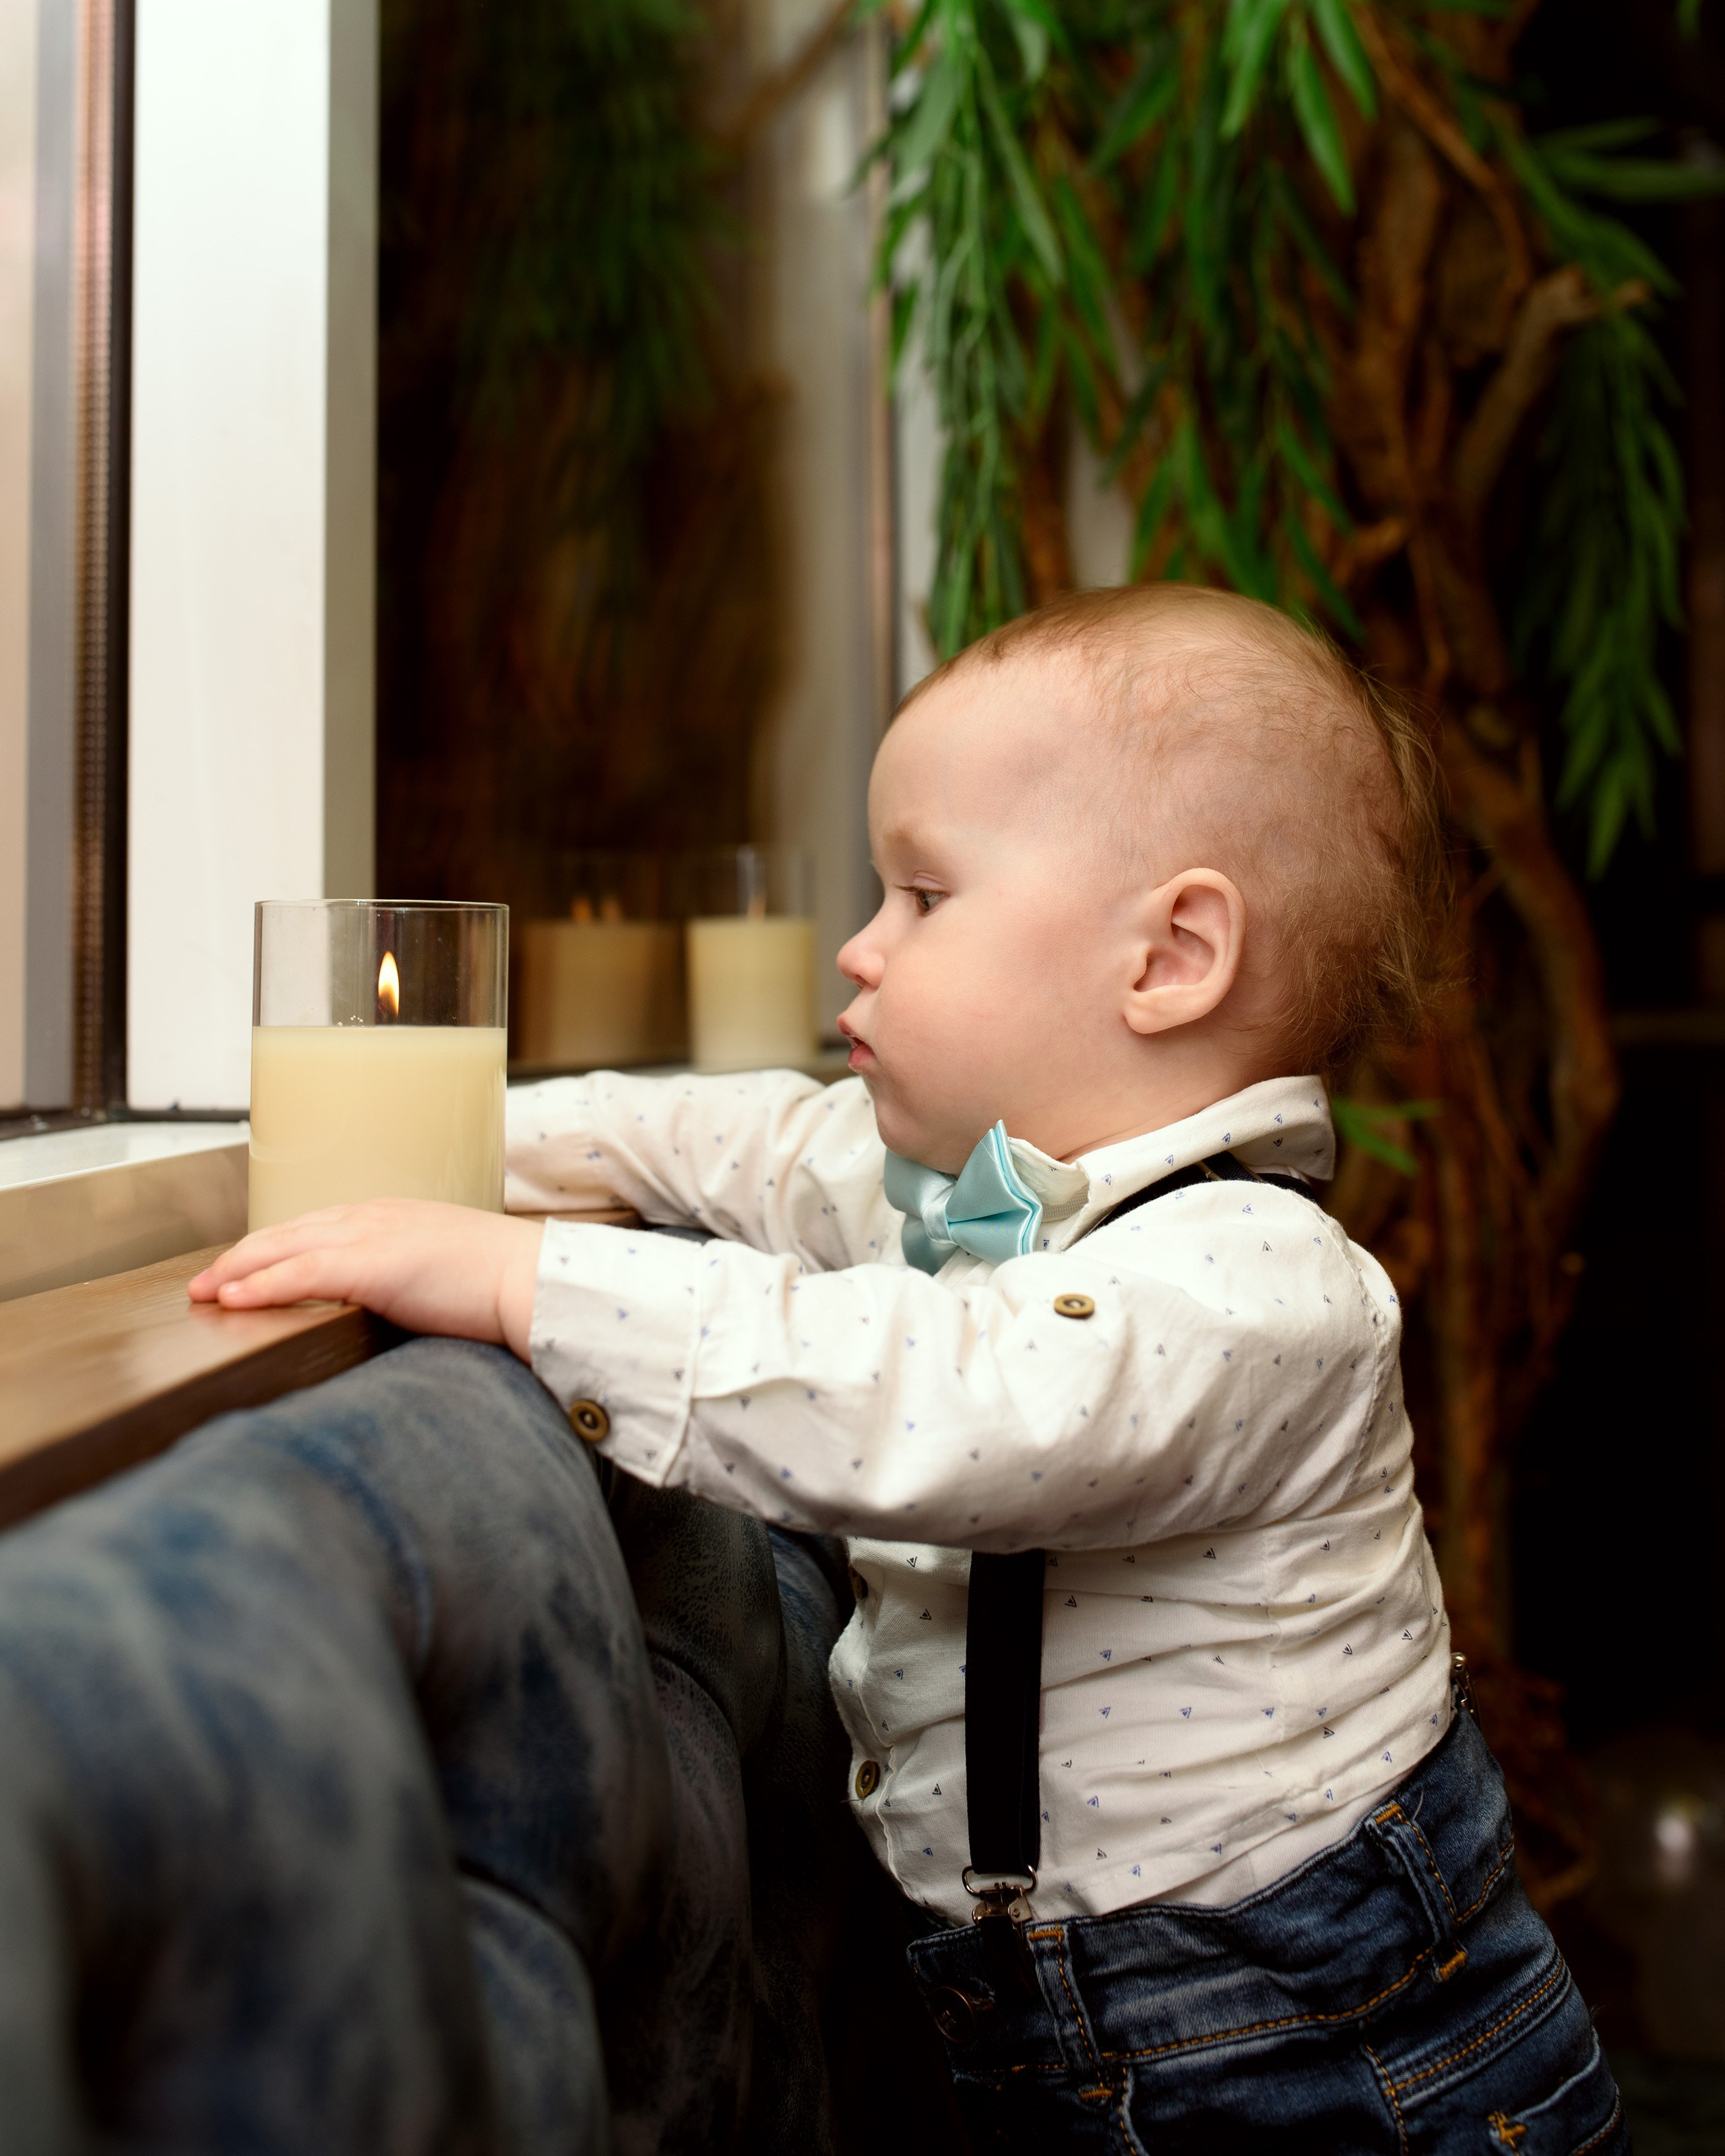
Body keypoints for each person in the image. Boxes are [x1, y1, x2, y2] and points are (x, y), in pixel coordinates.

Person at [194, 584, 1624, 2151]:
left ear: (1171, 956)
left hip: (1323, 2050)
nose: (858, 951)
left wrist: (516, 1279)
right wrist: (429, 1149)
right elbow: (737, 1136)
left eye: (922, 896)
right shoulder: (977, 1192)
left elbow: (931, 1401)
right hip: (1050, 2021)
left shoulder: (1261, 1289)